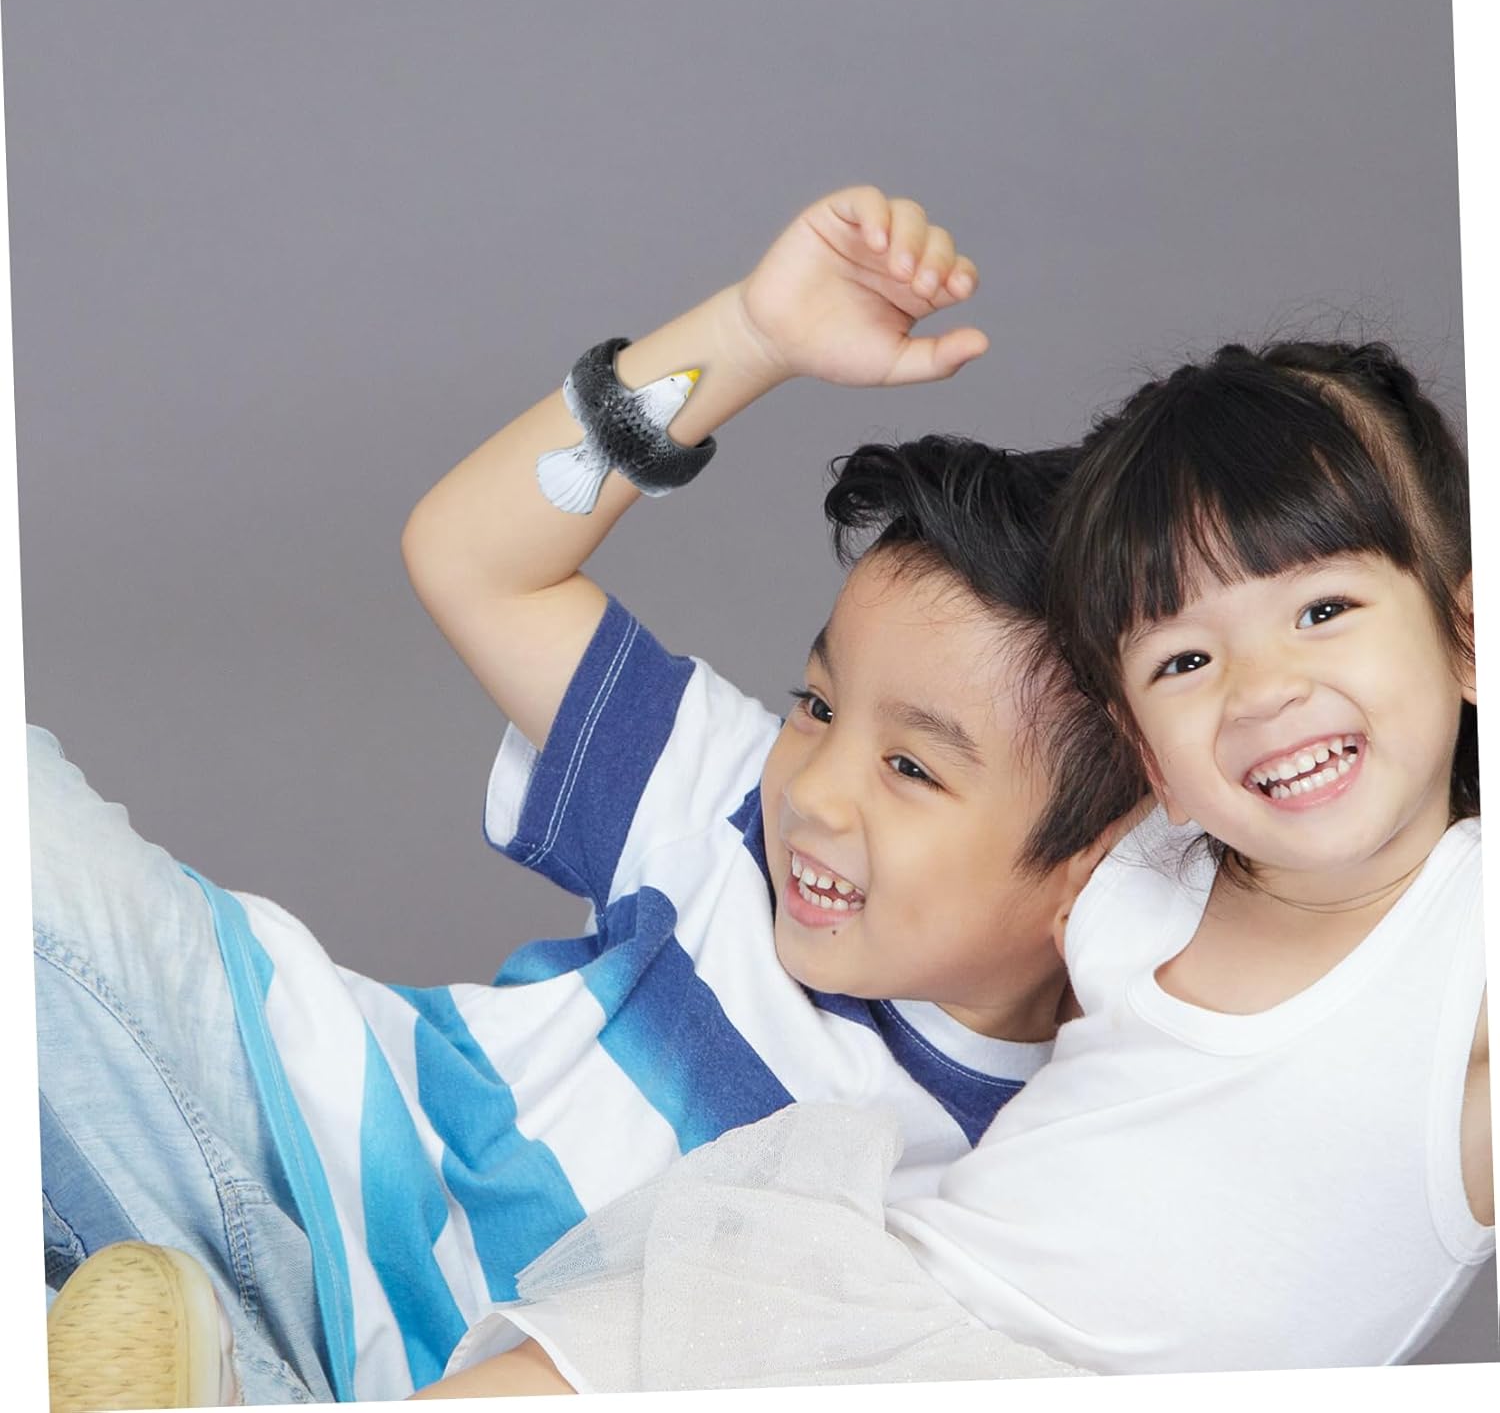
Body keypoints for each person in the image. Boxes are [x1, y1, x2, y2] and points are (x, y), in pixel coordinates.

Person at [37, 187, 1141, 1408]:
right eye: (819, 706)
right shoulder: (726, 807)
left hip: (351, 1376)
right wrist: (749, 336)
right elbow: (477, 560)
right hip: (255, 1099)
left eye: (914, 769)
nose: (819, 792)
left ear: (1098, 857)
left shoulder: (1033, 1167)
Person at [424, 338, 1492, 1395]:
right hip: (873, 1322)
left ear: (1469, 632)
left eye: (1323, 611)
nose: (1261, 690)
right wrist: (756, 334)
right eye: (1186, 660)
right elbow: (484, 565)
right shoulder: (1148, 869)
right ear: (1150, 758)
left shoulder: (1461, 953)